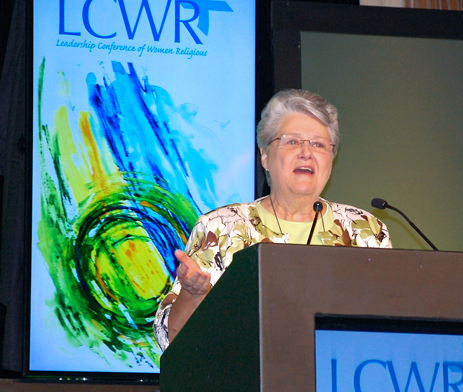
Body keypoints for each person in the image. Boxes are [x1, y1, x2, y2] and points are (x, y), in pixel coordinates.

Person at [154, 89, 391, 350]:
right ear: (265, 156)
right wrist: (193, 294)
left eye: (319, 144)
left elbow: (387, 329)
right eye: (292, 142)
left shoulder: (365, 231)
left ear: (331, 159)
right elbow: (170, 342)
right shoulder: (222, 227)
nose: (306, 152)